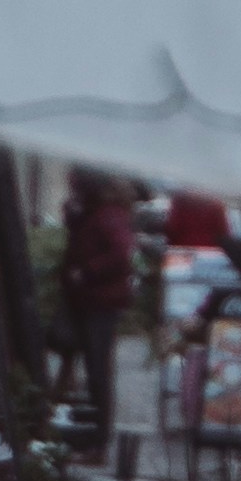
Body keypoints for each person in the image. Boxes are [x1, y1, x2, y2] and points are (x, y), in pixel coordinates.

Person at [57, 168, 140, 452]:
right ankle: (90, 433)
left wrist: (87, 272)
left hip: (99, 300)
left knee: (97, 369)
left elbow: (120, 254)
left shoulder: (108, 215)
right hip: (91, 299)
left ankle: (97, 438)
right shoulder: (99, 213)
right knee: (93, 367)